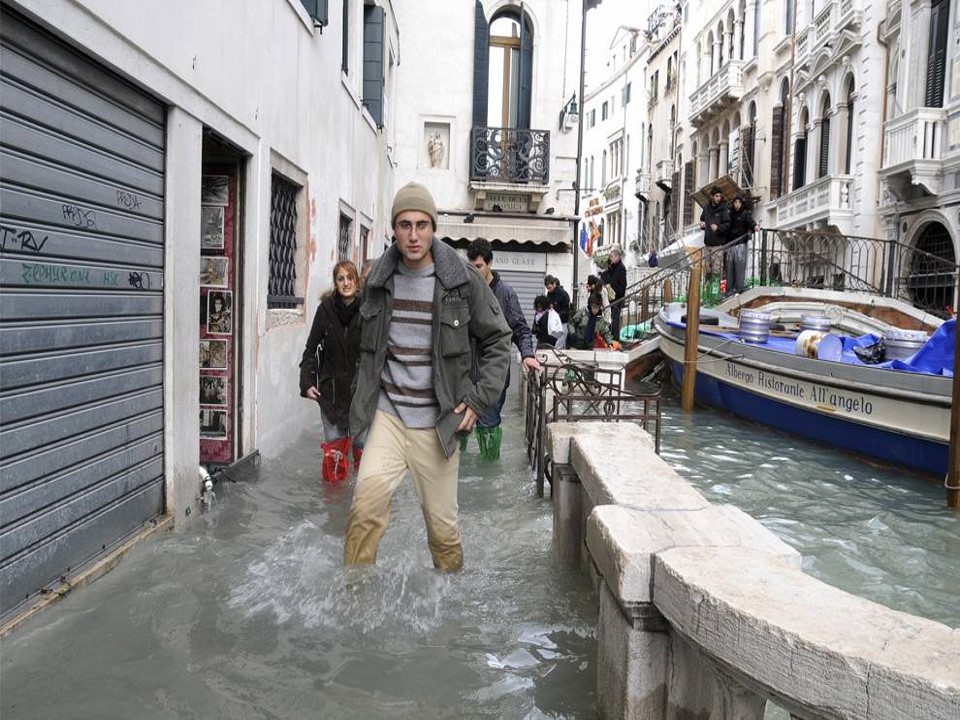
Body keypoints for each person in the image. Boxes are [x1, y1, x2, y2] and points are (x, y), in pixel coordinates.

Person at [344, 182, 512, 572]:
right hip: (387, 417)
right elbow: (364, 352)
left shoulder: (461, 279)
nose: (414, 234)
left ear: (433, 228)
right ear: (394, 229)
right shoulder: (377, 280)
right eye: (405, 225)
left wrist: (477, 399)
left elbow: (500, 340)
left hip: (437, 424)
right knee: (362, 513)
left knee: (443, 533)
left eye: (422, 224)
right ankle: (356, 600)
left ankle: (448, 606)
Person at [465, 238, 540, 459]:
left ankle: (488, 474)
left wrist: (527, 354)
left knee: (488, 428)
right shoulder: (463, 291)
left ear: (490, 263)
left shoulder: (506, 294)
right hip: (463, 375)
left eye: (478, 267)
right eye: (471, 267)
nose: (474, 272)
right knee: (456, 429)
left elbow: (521, 329)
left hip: (494, 375)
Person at [299, 260, 363, 479]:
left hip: (361, 397)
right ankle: (334, 508)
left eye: (350, 278)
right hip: (332, 396)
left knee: (363, 457)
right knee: (334, 459)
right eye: (340, 278)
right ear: (335, 283)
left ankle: (359, 505)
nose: (346, 283)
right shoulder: (325, 310)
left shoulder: (368, 311)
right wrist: (307, 383)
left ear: (357, 280)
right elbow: (310, 349)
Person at [725, 194, 759, 296]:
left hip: (740, 243)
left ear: (741, 203)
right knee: (730, 268)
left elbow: (751, 222)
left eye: (739, 202)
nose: (737, 205)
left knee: (739, 267)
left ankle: (739, 288)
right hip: (730, 244)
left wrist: (755, 226)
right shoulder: (730, 214)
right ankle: (729, 290)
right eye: (735, 202)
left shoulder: (745, 214)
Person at [699, 185, 730, 296]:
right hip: (707, 244)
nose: (718, 198)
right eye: (716, 196)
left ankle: (716, 294)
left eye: (719, 196)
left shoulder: (724, 209)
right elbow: (702, 219)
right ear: (712, 196)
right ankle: (707, 293)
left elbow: (727, 224)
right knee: (707, 270)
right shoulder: (706, 208)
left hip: (718, 245)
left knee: (717, 270)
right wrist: (702, 225)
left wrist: (718, 228)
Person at [600, 246, 627, 343]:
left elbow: (623, 286)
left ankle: (615, 339)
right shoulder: (612, 268)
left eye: (612, 257)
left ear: (617, 257)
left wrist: (614, 291)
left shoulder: (621, 268)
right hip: (611, 298)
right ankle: (609, 338)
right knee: (609, 317)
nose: (610, 259)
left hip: (617, 298)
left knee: (614, 318)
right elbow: (606, 276)